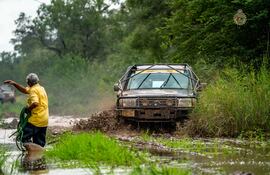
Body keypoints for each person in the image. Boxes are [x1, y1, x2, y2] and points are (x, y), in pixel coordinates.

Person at [4, 73, 49, 147]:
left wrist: (28, 108)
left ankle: (31, 152)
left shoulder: (33, 90)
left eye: (27, 83)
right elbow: (25, 90)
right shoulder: (41, 88)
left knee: (24, 137)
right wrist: (14, 84)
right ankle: (37, 155)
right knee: (40, 143)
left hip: (35, 120)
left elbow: (35, 103)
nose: (27, 84)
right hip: (44, 120)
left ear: (29, 83)